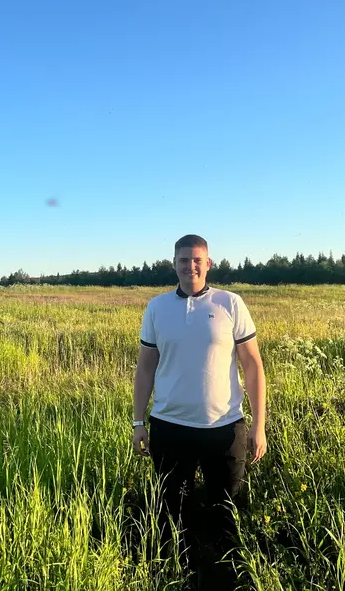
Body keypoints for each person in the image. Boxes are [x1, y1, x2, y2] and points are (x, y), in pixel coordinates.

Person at [132, 234, 267, 584]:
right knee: (173, 510)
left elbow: (252, 365)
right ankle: (178, 573)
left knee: (227, 507)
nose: (190, 266)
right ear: (173, 264)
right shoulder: (157, 308)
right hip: (169, 427)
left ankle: (230, 575)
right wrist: (138, 422)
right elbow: (145, 368)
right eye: (183, 260)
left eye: (196, 260)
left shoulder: (230, 303)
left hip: (224, 428)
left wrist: (259, 425)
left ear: (208, 264)